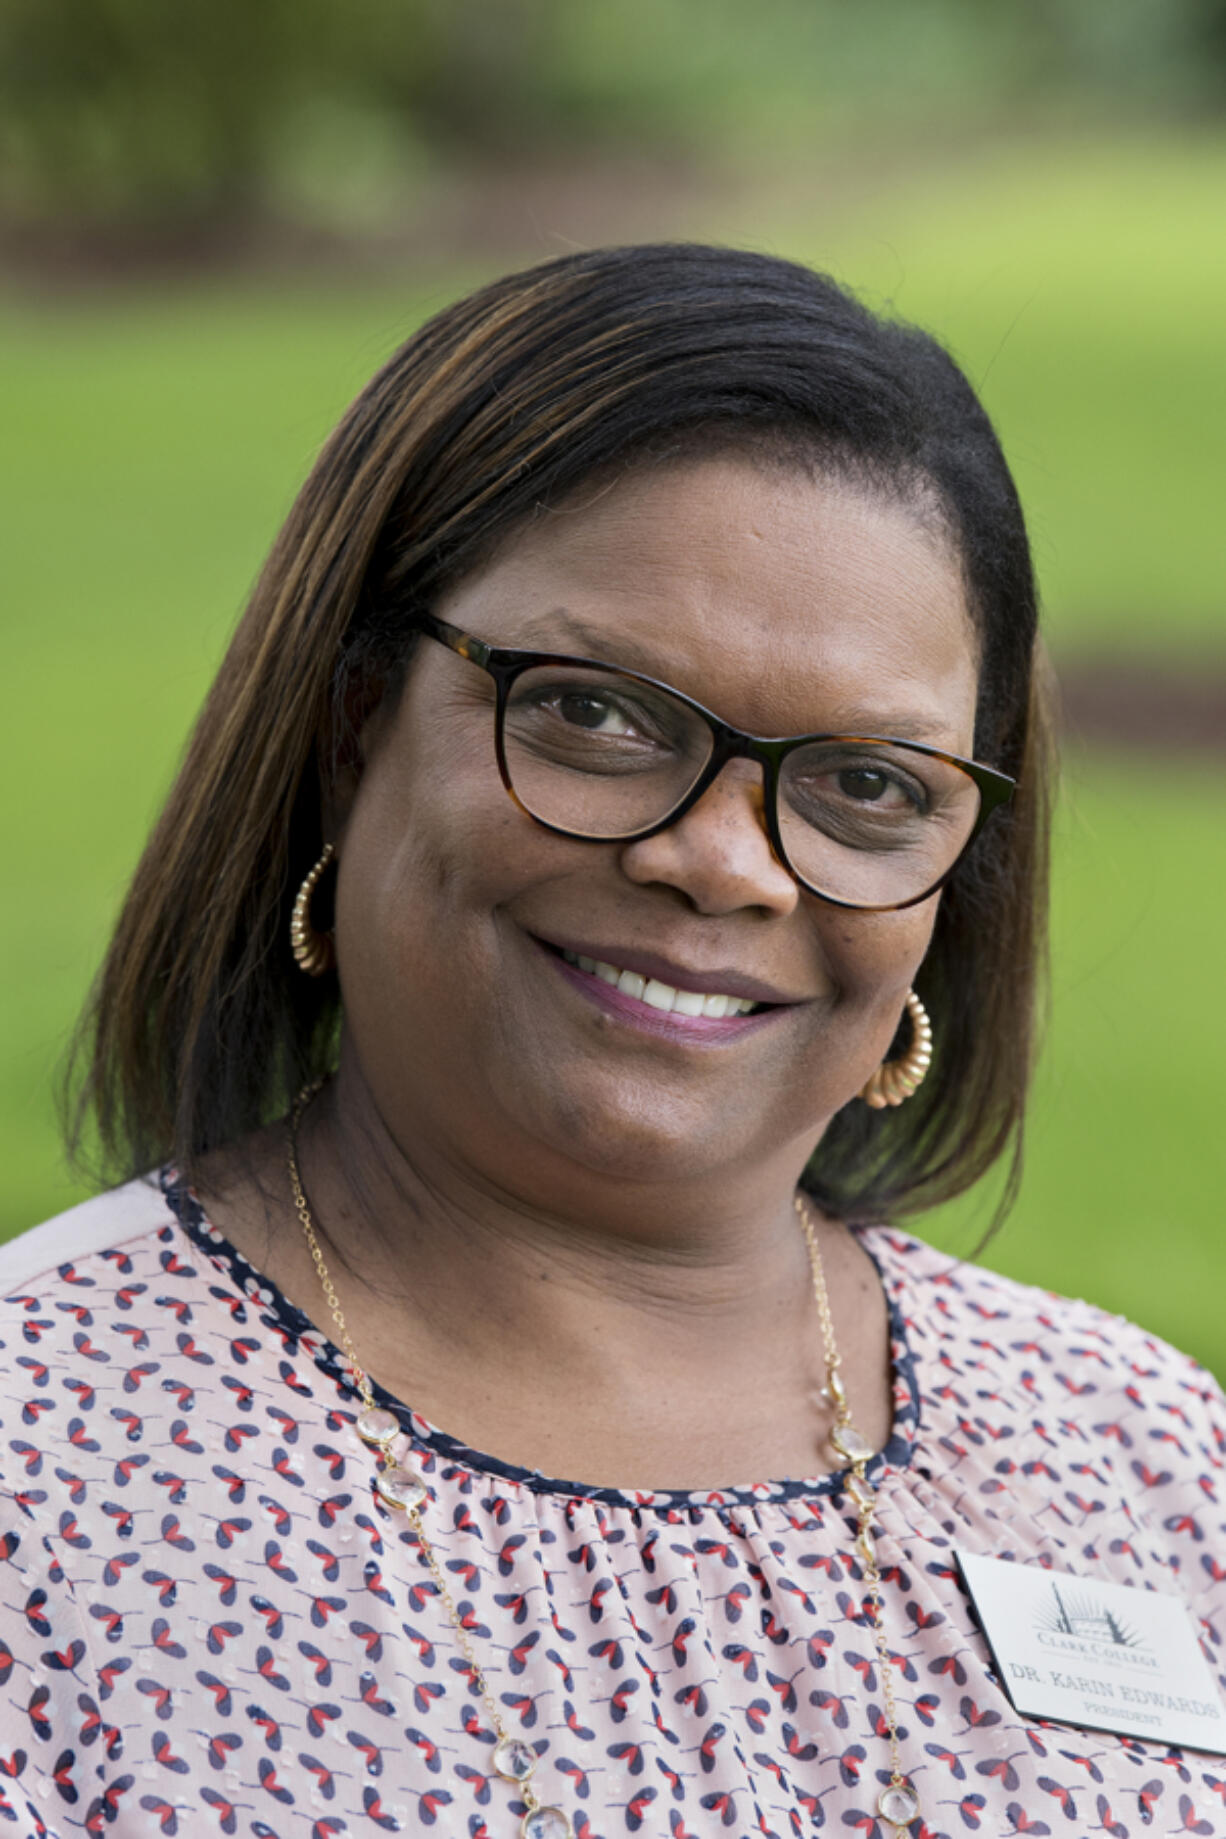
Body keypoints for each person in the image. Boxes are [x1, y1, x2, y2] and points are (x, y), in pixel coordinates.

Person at [1, 244, 1222, 1839]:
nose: (724, 861)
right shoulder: (43, 1469)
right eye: (595, 712)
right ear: (353, 724)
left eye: (865, 784)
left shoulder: (1143, 1452)